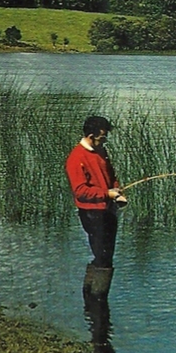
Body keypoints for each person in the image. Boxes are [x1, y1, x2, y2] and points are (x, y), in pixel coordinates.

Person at [66, 116, 125, 295]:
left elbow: (111, 176)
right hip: (92, 213)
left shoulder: (102, 152)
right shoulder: (76, 158)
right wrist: (107, 194)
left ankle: (91, 299)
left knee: (105, 256)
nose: (104, 140)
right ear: (91, 135)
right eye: (102, 137)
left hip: (108, 211)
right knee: (103, 258)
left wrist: (117, 192)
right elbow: (81, 191)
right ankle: (97, 303)